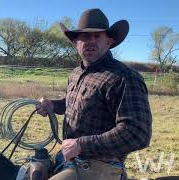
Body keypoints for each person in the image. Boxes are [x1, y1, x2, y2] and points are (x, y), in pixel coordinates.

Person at [33, 8, 152, 180]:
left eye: (97, 36)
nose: (90, 41)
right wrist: (53, 104)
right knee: (31, 168)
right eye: (85, 37)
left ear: (109, 41)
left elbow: (137, 132)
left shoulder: (124, 78)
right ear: (75, 43)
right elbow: (74, 103)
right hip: (70, 157)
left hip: (102, 164)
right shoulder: (75, 73)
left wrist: (81, 145)